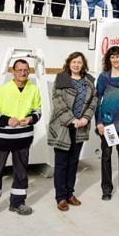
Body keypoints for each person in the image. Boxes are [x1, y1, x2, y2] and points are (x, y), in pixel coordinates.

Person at [0, 59, 42, 221]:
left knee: (21, 173)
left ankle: (17, 202)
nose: (22, 73)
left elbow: (38, 110)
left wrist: (31, 119)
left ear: (29, 72)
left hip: (23, 139)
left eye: (25, 70)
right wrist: (7, 120)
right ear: (13, 72)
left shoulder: (34, 90)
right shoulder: (2, 90)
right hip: (1, 139)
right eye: (19, 70)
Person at [48, 52, 97, 211]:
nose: (76, 65)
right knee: (61, 163)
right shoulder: (61, 78)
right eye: (74, 62)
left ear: (83, 65)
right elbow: (57, 101)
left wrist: (85, 119)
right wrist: (71, 119)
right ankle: (60, 197)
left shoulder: (89, 81)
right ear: (69, 63)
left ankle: (70, 194)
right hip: (63, 127)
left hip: (81, 127)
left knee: (73, 162)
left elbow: (93, 101)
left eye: (79, 62)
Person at [95, 46, 119, 200]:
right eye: (112, 57)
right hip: (107, 122)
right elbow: (98, 100)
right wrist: (99, 122)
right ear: (108, 59)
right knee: (106, 155)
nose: (115, 59)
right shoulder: (103, 78)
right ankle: (106, 189)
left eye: (117, 56)